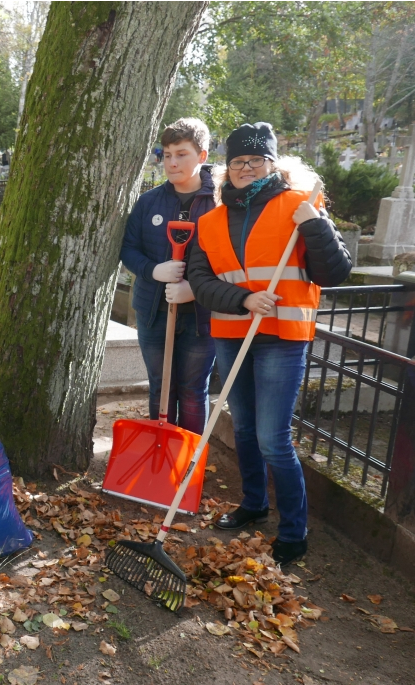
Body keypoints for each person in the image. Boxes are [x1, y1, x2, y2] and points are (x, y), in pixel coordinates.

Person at [188, 122, 352, 566]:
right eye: (238, 161)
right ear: (227, 168)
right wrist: (242, 298)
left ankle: (294, 531)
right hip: (232, 332)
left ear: (271, 163)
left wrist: (315, 227)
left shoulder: (301, 205)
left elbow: (334, 272)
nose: (245, 167)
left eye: (255, 160)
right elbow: (200, 282)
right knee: (242, 428)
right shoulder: (211, 221)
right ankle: (254, 503)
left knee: (272, 438)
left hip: (282, 336)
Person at [120, 118, 216, 435]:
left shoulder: (219, 205)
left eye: (182, 154)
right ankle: (160, 459)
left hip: (202, 318)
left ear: (202, 156)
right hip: (154, 314)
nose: (172, 163)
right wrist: (153, 270)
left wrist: (197, 289)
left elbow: (232, 260)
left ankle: (186, 464)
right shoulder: (150, 203)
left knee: (191, 392)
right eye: (167, 154)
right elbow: (129, 248)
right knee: (160, 388)